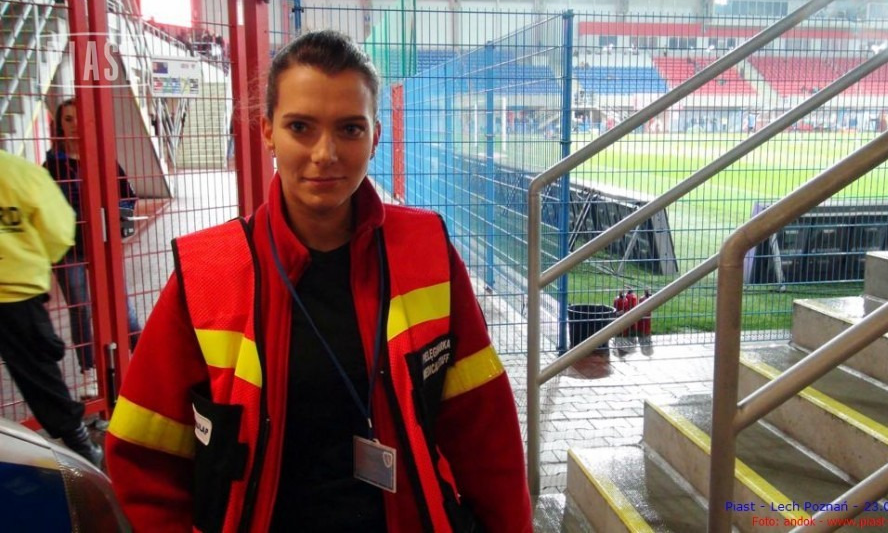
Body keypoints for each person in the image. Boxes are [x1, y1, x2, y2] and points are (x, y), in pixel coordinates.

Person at [106, 30, 532, 532]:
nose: (325, 153)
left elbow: (484, 431)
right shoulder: (207, 273)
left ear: (375, 136)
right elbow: (143, 451)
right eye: (301, 127)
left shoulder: (428, 252)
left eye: (349, 128)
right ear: (268, 131)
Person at [0, 149, 103, 468]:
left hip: (16, 291)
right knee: (40, 375)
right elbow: (59, 229)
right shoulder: (21, 173)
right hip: (16, 291)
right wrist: (35, 257)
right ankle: (80, 445)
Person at [44, 98, 142, 399]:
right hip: (68, 249)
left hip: (103, 246)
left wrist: (116, 221)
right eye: (68, 119)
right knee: (80, 309)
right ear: (60, 125)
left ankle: (142, 360)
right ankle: (90, 373)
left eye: (79, 118)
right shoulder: (51, 166)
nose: (75, 125)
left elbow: (128, 196)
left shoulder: (103, 159)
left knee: (121, 306)